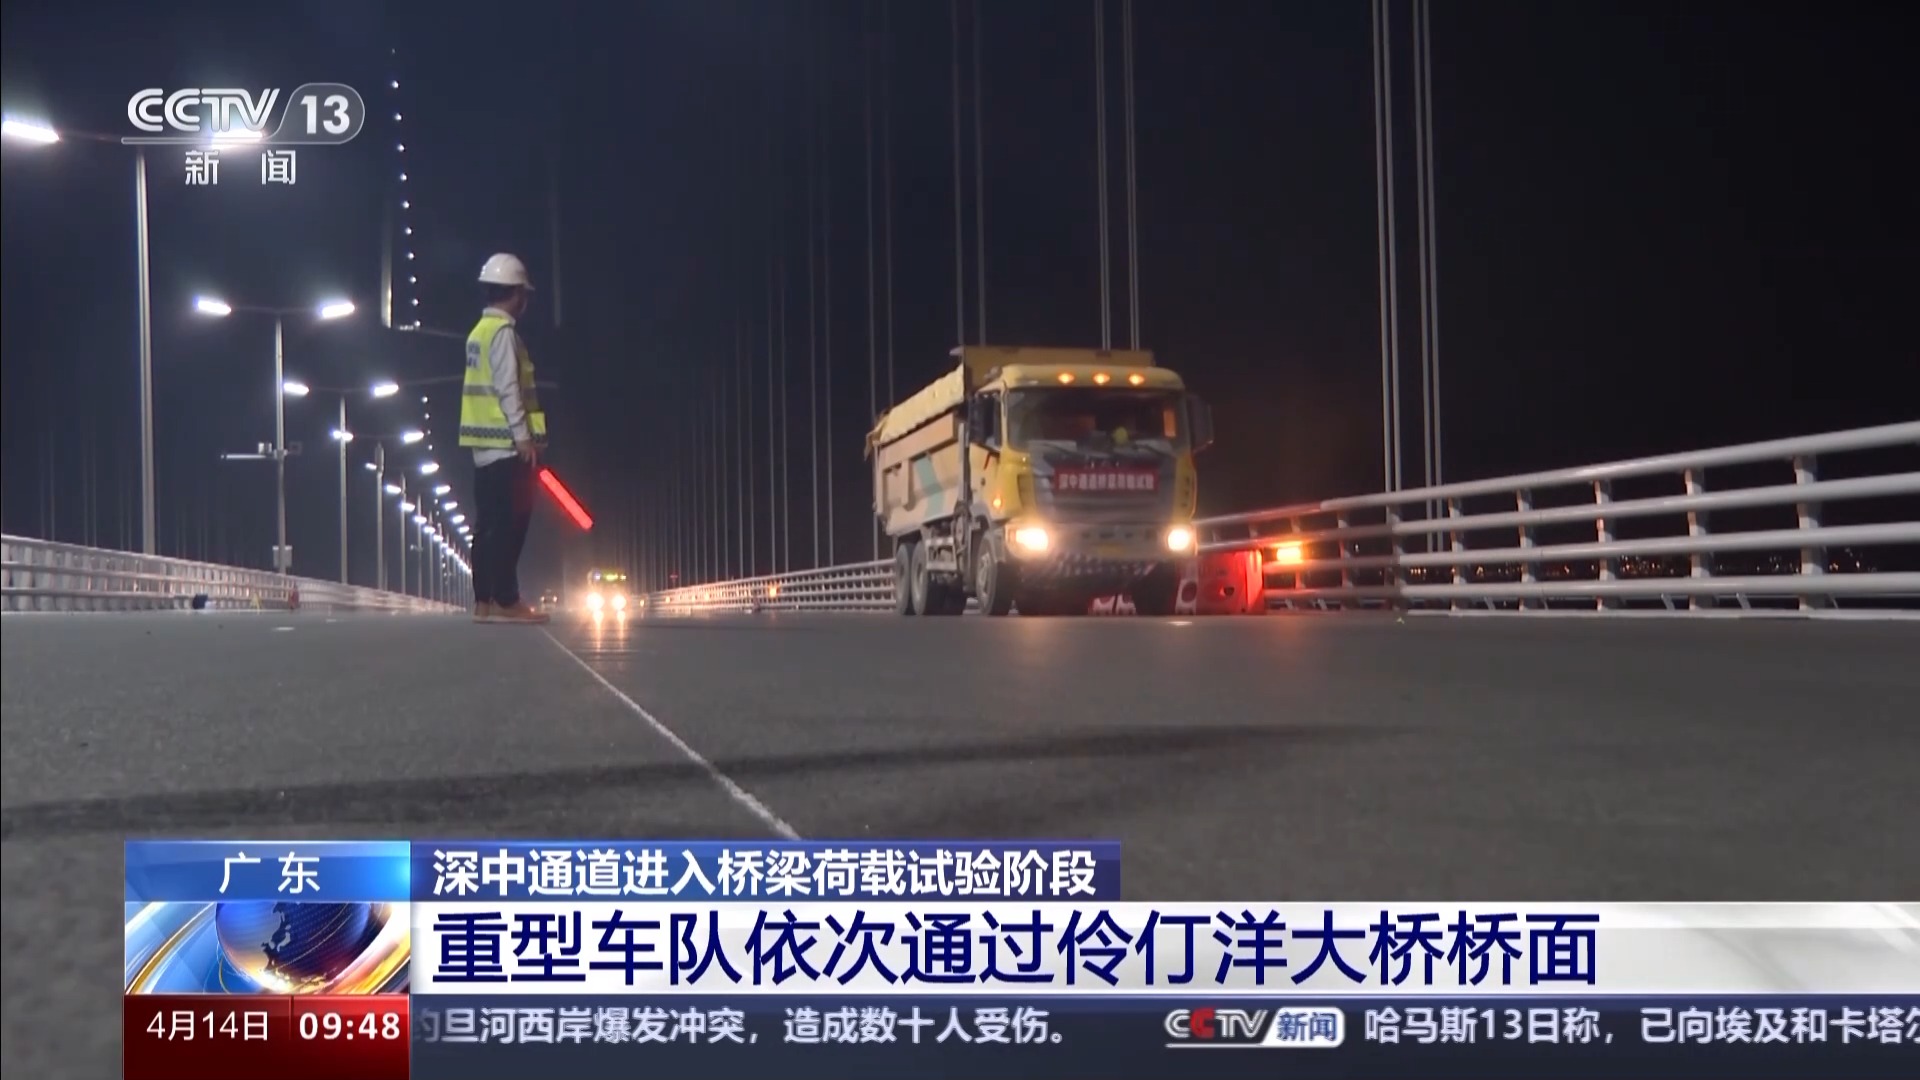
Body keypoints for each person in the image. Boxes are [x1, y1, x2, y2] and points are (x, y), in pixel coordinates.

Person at [460, 253, 551, 624]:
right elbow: (509, 388)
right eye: (523, 293)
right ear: (516, 294)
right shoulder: (503, 334)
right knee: (512, 523)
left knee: (487, 525)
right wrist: (523, 437)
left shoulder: (478, 333)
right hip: (505, 446)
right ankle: (506, 599)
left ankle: (484, 601)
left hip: (483, 445)